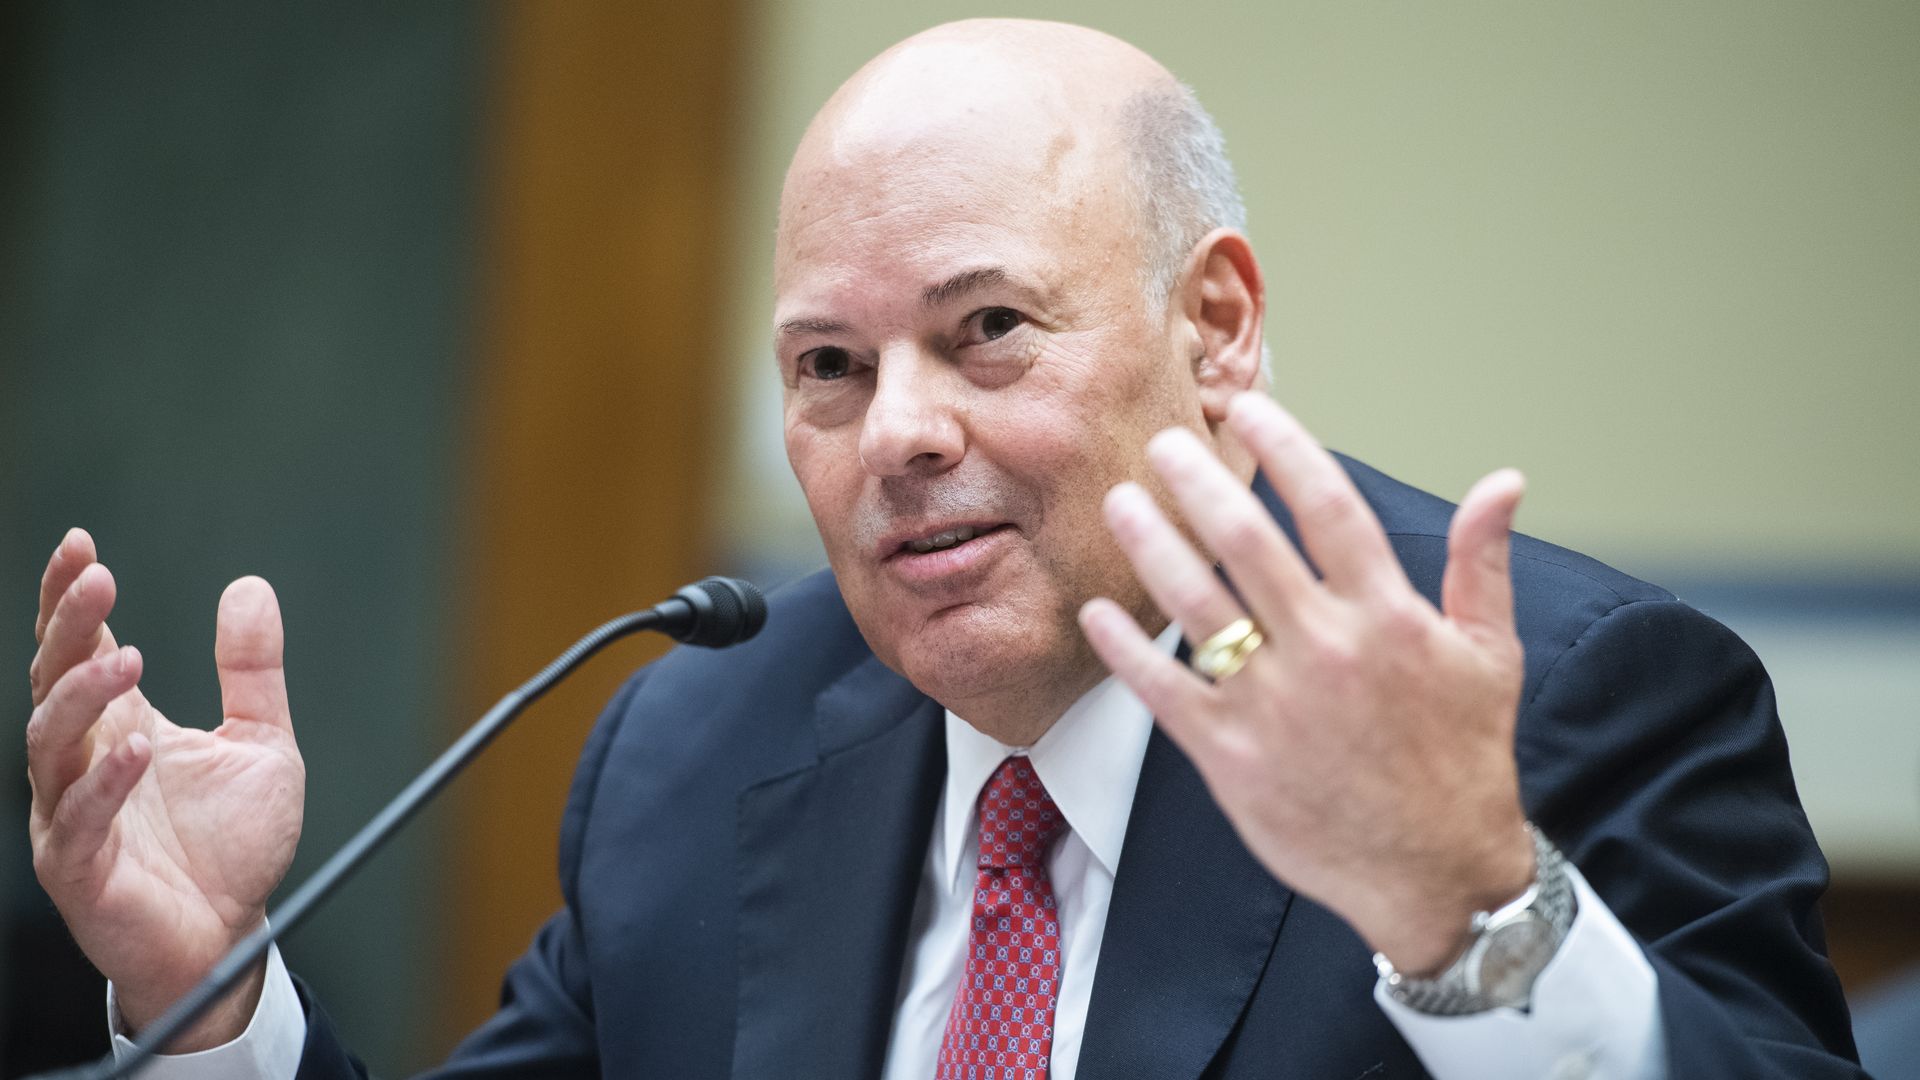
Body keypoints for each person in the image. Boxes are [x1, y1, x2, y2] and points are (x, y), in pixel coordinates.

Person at [24, 19, 1860, 1079]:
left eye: (988, 330)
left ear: (1215, 330)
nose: (899, 431)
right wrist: (214, 1001)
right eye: (830, 366)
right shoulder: (699, 746)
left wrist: (1476, 917)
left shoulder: (1553, 702)